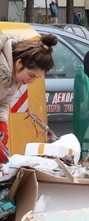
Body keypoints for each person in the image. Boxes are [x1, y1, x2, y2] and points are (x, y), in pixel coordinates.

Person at [0, 33, 58, 161]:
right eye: (31, 75)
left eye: (36, 78)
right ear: (19, 63)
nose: (31, 81)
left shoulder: (13, 78)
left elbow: (3, 103)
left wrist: (2, 124)